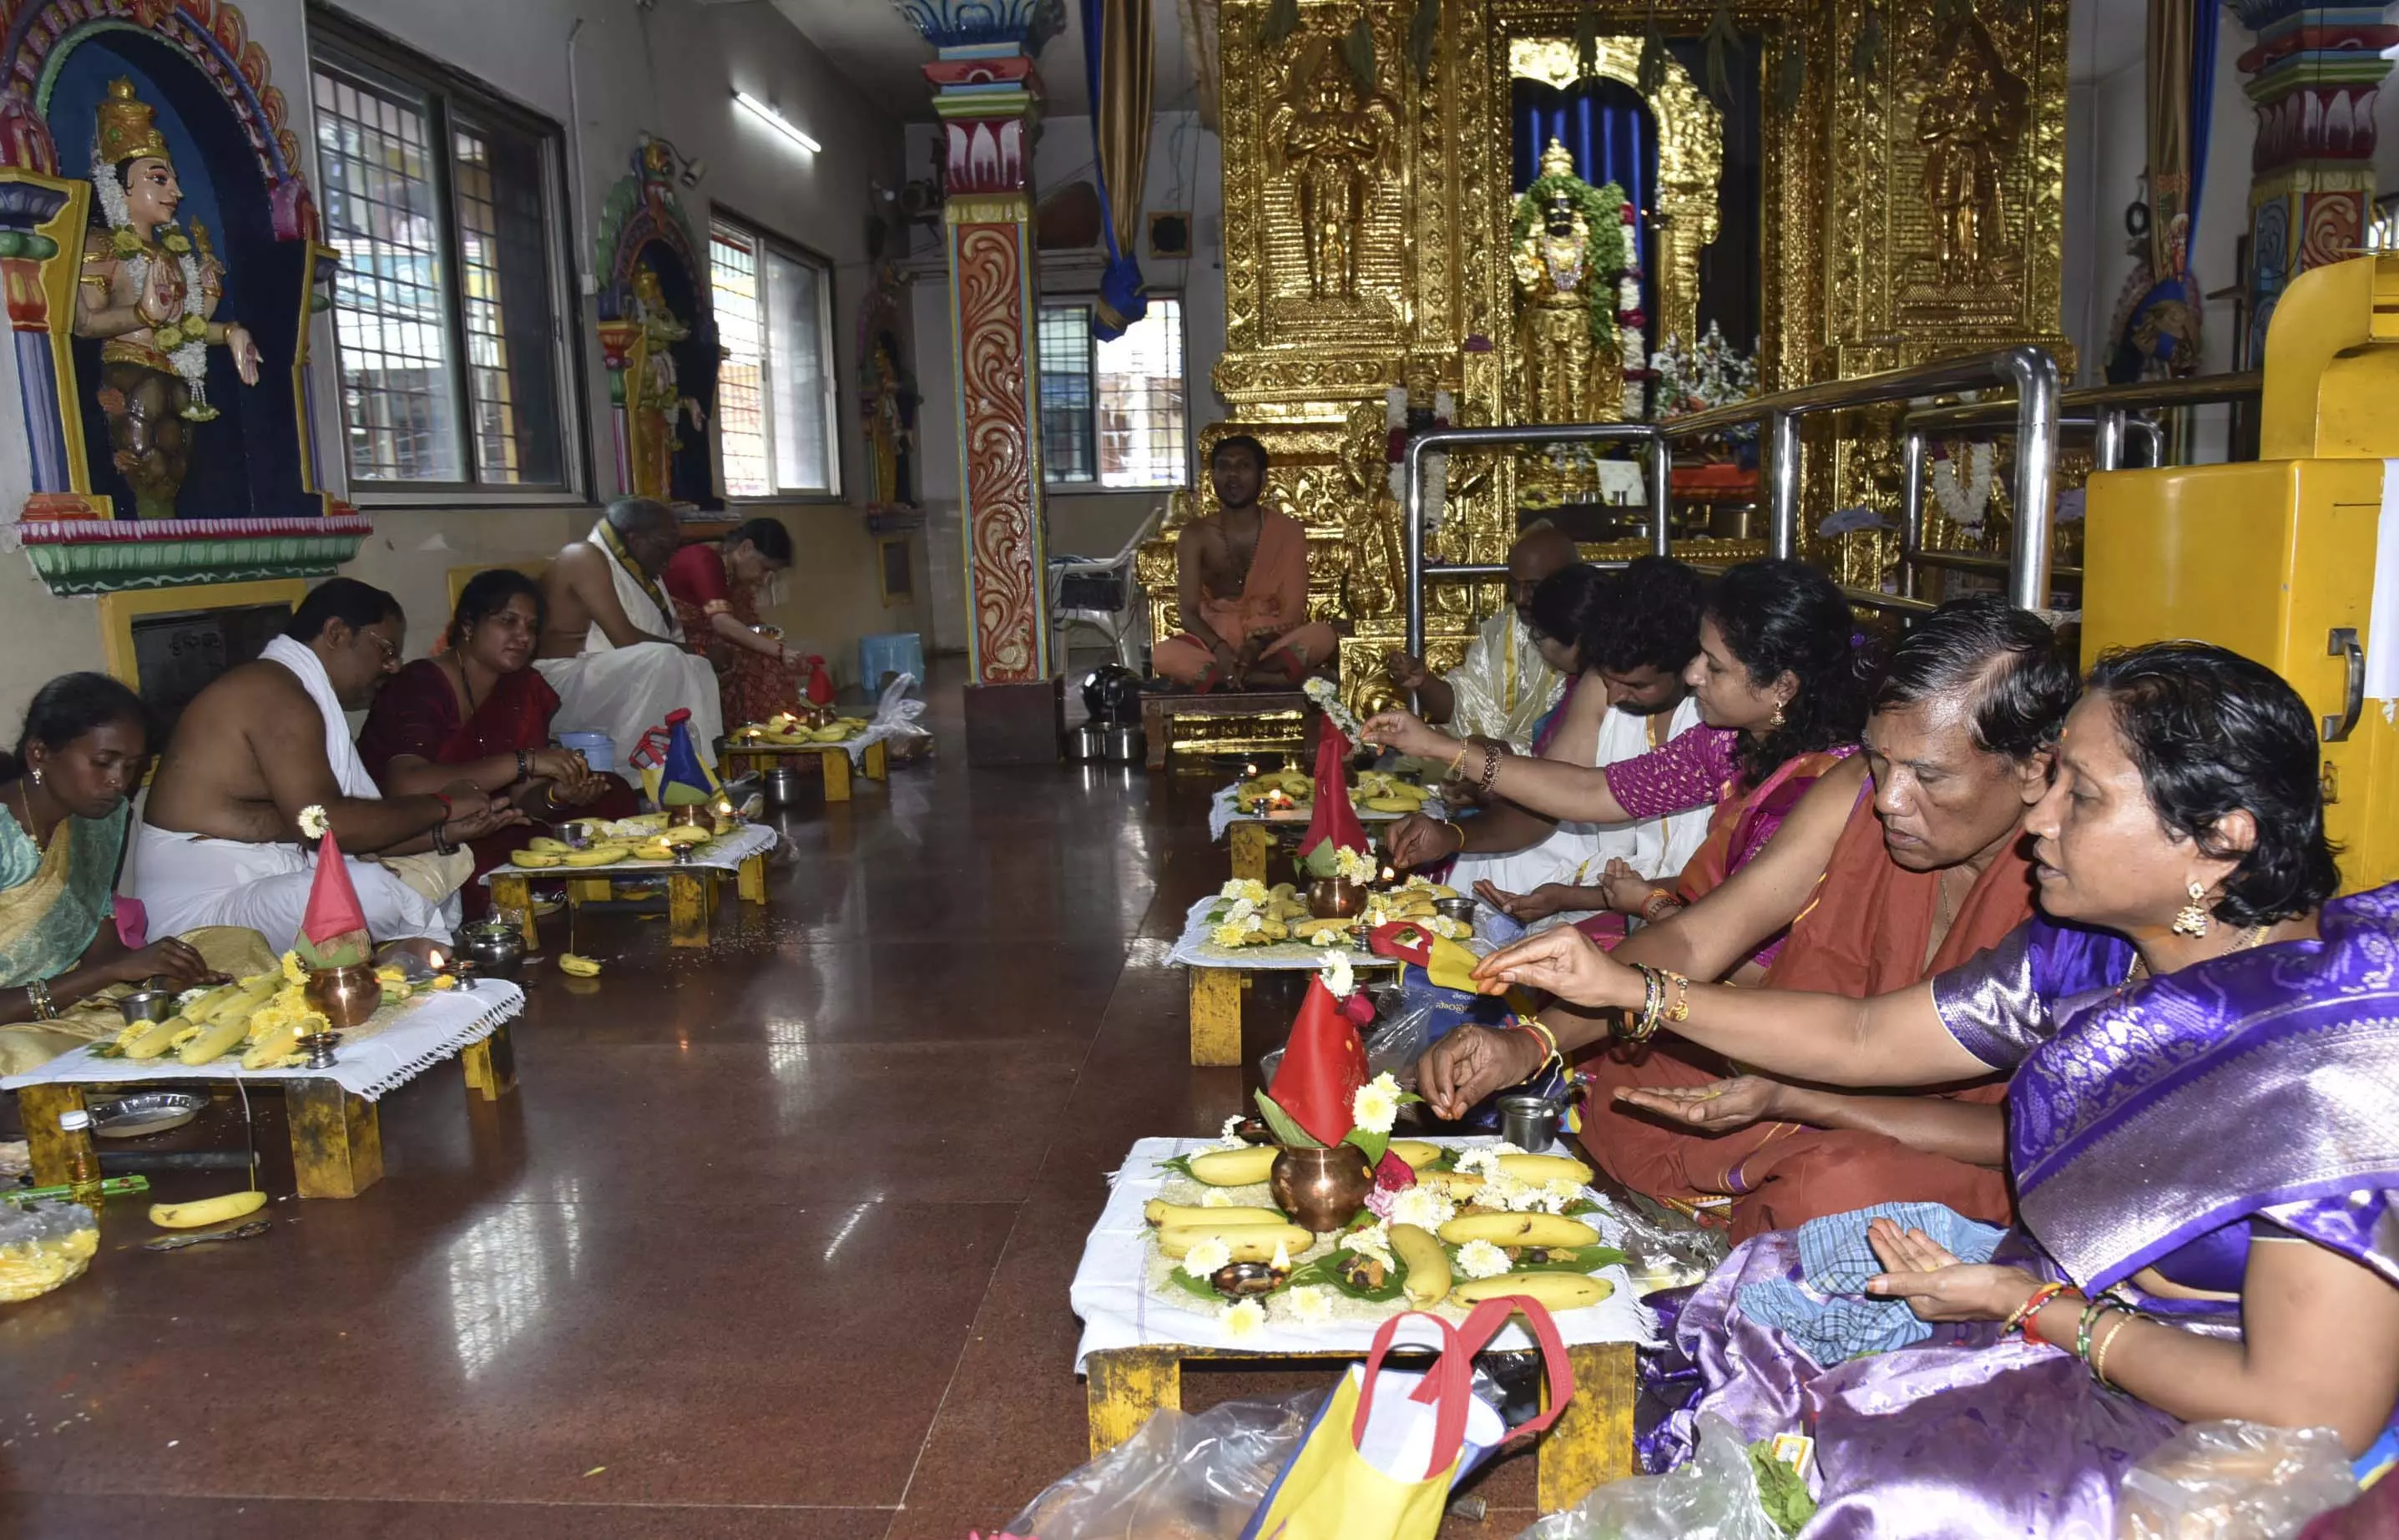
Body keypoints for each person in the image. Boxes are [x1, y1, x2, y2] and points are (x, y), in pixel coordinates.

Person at [1467, 643, 2399, 1537]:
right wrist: (1634, 991)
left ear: (2219, 840)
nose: (2038, 820)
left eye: (2082, 796)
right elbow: (1868, 1034)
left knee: (1901, 1495)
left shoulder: (2322, 1064)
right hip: (2068, 1309)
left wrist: (2024, 1308)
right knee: (1767, 1293)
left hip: (2223, 1430)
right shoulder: (2097, 954)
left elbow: (2306, 1413)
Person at [1416, 595, 2076, 1237]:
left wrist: (1800, 1099)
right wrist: (1529, 1043)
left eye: (1927, 777)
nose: (1891, 800)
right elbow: (1701, 936)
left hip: (1959, 1146)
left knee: (1836, 1190)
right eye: (1880, 759)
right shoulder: (1854, 791)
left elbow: (2019, 1128)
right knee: (1632, 1078)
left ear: (2031, 770)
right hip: (1805, 1075)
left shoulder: (2079, 883)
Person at [1370, 559, 1866, 969]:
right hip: (1690, 957)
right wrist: (1440, 748)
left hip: (1769, 1000)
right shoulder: (1727, 745)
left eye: (1712, 666)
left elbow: (1744, 957)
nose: (1694, 675)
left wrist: (1637, 905)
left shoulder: (1823, 786)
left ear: (1783, 686)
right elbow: (1594, 793)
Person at [131, 579, 520, 952]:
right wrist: (443, 805)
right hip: (203, 918)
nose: (392, 666)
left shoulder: (293, 690)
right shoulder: (275, 694)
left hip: (260, 881)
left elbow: (310, 828)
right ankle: (407, 960)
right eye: (385, 650)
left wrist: (442, 832)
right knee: (369, 893)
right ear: (336, 634)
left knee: (428, 866)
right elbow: (323, 827)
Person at [1404, 558, 1716, 936]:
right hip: (1612, 887)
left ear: (1691, 667)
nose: (1615, 694)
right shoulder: (1602, 688)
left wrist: (1573, 897)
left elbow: (1589, 793)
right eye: (1608, 677)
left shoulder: (1718, 723)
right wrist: (1452, 837)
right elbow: (1544, 805)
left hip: (1690, 908)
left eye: (1636, 686)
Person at [357, 570, 639, 914]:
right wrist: (523, 761)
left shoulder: (524, 687)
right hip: (418, 830)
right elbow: (407, 785)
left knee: (614, 792)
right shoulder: (419, 685)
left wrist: (558, 797)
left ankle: (574, 901)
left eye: (531, 628)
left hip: (492, 820)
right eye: (508, 621)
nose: (523, 637)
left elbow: (523, 800)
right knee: (485, 856)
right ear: (468, 625)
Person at [0, 675, 225, 1072]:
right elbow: (104, 969)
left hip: (73, 1004)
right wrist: (112, 973)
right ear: (39, 754)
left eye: (133, 766)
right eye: (103, 763)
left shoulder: (101, 820)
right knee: (26, 1059)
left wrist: (156, 979)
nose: (119, 782)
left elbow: (99, 945)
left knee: (233, 946)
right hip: (12, 1025)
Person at [536, 496, 726, 770]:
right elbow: (625, 640)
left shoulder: (635, 569)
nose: (668, 562)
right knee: (663, 660)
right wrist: (701, 650)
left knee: (698, 667)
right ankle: (634, 777)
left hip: (586, 675)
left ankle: (700, 768)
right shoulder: (582, 556)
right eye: (663, 549)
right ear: (635, 539)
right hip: (554, 682)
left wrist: (700, 657)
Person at [1150, 437, 1338, 691]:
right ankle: (1264, 678)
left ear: (1263, 478)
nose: (1233, 475)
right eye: (1224, 467)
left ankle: (1228, 678)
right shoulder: (1195, 535)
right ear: (1213, 476)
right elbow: (1189, 612)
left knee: (1322, 635)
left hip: (1268, 644)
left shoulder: (1288, 531)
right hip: (1214, 645)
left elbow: (1293, 610)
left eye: (1243, 467)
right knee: (1163, 654)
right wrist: (1221, 648)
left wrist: (1254, 646)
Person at [1382, 523, 1582, 749]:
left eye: (1533, 587)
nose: (1520, 599)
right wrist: (1424, 682)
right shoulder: (1502, 629)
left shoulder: (1591, 636)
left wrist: (1501, 755)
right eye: (1515, 586)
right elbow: (1467, 708)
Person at [662, 516, 806, 727]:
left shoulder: (731, 569)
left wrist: (778, 649)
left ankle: (772, 737)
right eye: (765, 568)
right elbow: (722, 623)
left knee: (766, 662)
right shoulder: (705, 560)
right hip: (679, 643)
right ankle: (755, 743)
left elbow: (744, 623)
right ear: (746, 548)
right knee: (762, 666)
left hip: (710, 639)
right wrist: (780, 652)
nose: (764, 580)